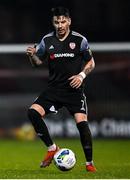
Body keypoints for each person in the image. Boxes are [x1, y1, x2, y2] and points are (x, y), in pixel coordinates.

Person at [26, 7, 96, 172]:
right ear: (53, 22)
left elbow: (91, 63)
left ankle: (89, 164)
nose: (60, 25)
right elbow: (37, 63)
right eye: (57, 22)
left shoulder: (80, 40)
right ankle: (52, 148)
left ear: (69, 21)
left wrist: (81, 76)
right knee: (32, 112)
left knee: (82, 123)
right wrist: (32, 55)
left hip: (73, 91)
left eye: (63, 21)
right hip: (54, 90)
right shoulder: (47, 40)